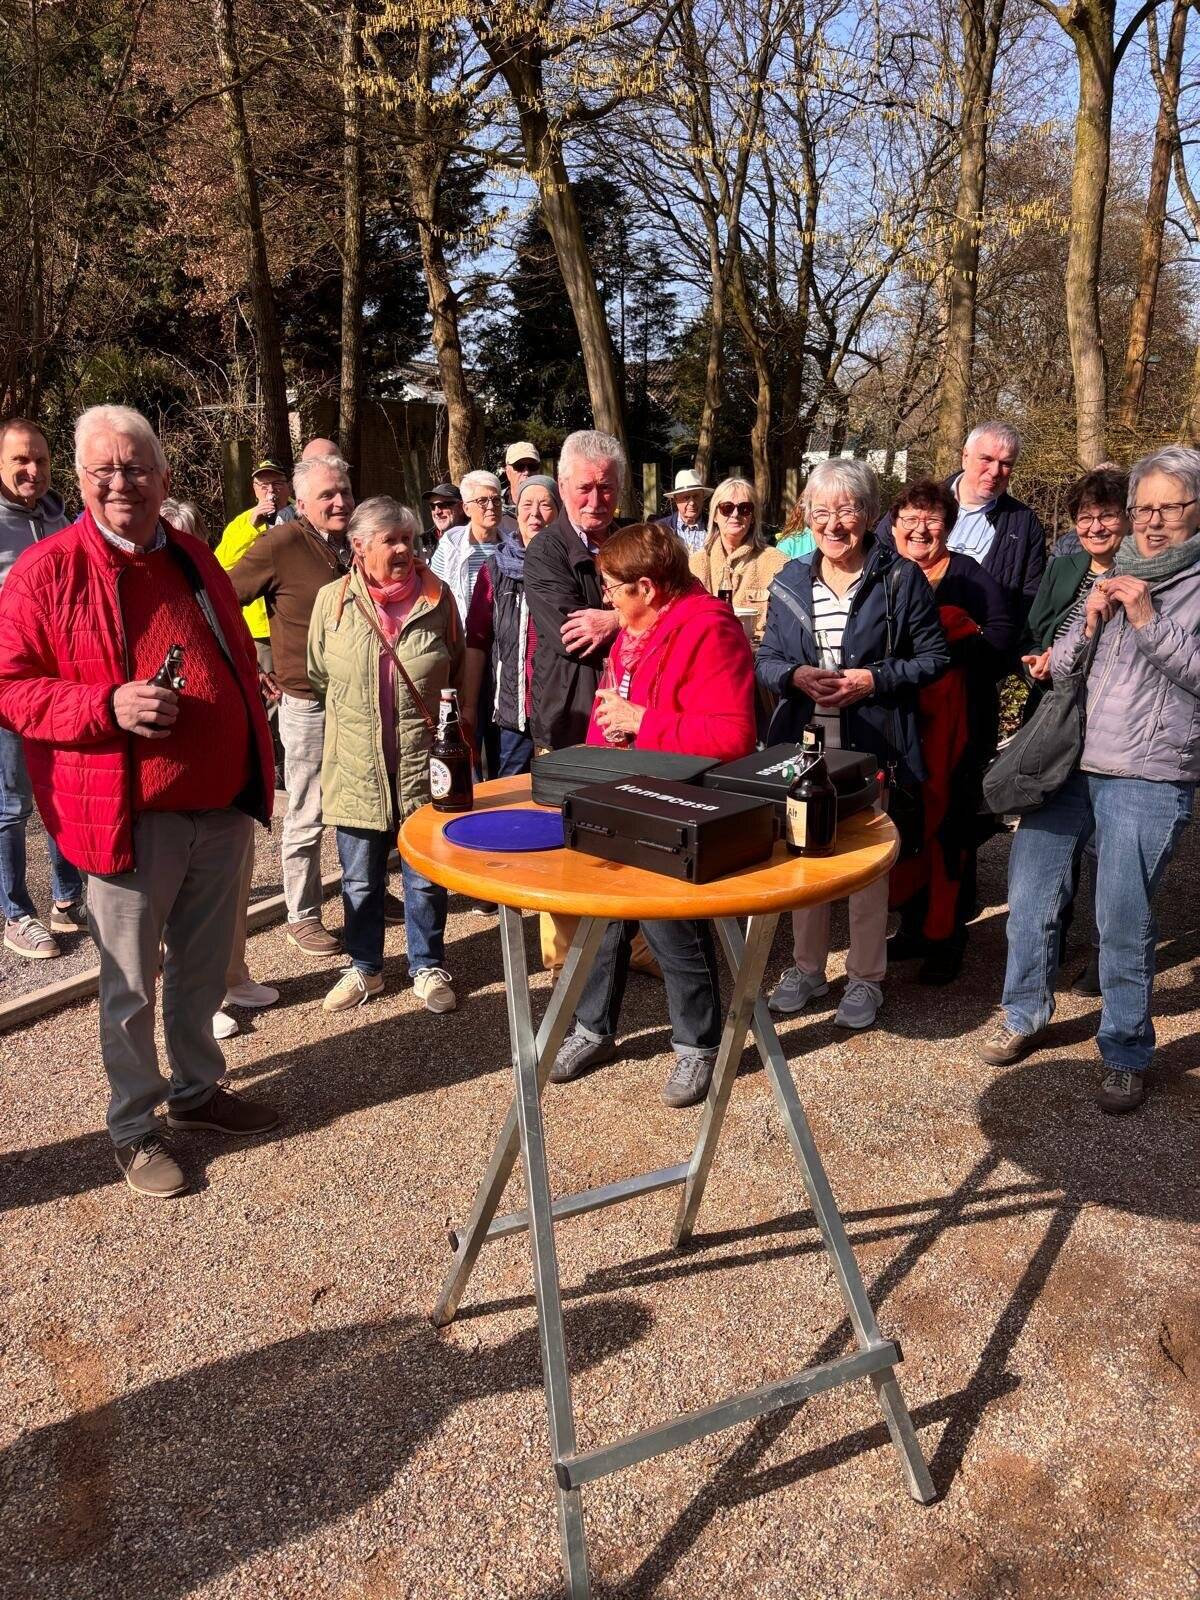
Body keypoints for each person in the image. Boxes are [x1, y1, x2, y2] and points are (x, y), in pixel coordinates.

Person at [0, 404, 278, 1198]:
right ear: (81, 482)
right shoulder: (46, 571)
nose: (124, 483)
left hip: (218, 806)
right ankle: (132, 1125)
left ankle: (195, 1093)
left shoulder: (193, 556)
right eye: (105, 471)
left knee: (199, 971)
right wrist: (104, 706)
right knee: (129, 985)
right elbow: (10, 687)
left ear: (163, 476)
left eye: (138, 468)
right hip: (127, 816)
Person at [978, 445, 1200, 1114]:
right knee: (1031, 891)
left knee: (1122, 917)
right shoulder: (1117, 570)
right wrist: (1089, 622)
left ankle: (1126, 1049)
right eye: (1143, 508)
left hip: (1148, 772)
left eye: (1169, 507)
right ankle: (1022, 1013)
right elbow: (1067, 666)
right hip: (1070, 764)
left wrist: (1145, 621)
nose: (1152, 521)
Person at [548, 523, 757, 1107]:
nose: (606, 599)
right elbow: (610, 707)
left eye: (614, 588)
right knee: (601, 919)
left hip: (676, 801)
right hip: (617, 789)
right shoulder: (636, 630)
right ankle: (594, 1028)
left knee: (671, 925)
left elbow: (736, 736)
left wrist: (645, 722)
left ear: (648, 586)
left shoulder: (710, 630)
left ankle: (699, 1043)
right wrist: (587, 776)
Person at [757, 458, 949, 1030]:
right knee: (806, 859)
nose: (834, 524)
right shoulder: (788, 580)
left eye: (847, 510)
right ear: (806, 517)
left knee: (866, 867)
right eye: (821, 512)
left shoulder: (899, 579)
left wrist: (875, 679)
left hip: (874, 743)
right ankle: (808, 969)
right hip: (807, 745)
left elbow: (935, 658)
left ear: (869, 515)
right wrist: (794, 677)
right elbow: (766, 660)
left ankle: (866, 978)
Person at [307, 497, 464, 1015]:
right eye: (390, 540)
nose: (403, 549)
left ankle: (427, 964)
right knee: (358, 877)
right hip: (356, 765)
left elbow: (456, 669)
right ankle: (365, 968)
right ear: (359, 546)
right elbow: (318, 674)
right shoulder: (332, 602)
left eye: (408, 539)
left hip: (423, 765)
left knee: (423, 876)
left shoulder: (439, 599)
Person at [885, 479, 1014, 983]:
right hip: (900, 727)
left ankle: (948, 937)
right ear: (893, 525)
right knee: (907, 826)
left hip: (958, 726)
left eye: (932, 520)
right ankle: (914, 927)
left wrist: (942, 649)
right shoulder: (886, 573)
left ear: (949, 527)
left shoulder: (968, 576)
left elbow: (1002, 641)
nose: (921, 529)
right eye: (910, 519)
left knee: (950, 831)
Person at [229, 455, 355, 959]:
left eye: (344, 491)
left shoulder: (357, 543)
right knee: (308, 811)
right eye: (327, 495)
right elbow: (222, 597)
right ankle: (302, 914)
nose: (340, 501)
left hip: (360, 700)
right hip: (307, 703)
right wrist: (249, 664)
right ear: (300, 502)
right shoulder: (279, 544)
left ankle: (365, 894)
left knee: (362, 806)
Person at [1017, 468, 1130, 996]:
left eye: (1107, 514)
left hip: (1114, 726)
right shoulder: (1063, 569)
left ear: (1126, 518)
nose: (1096, 526)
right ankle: (1051, 943)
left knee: (1107, 853)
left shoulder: (1141, 574)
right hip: (1056, 719)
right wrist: (1034, 661)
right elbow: (1034, 633)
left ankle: (1106, 957)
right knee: (1048, 848)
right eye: (1085, 517)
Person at [523, 430, 625, 971]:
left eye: (606, 489)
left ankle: (631, 947)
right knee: (567, 835)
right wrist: (636, 619)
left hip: (632, 717)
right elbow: (572, 635)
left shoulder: (638, 541)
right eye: (584, 488)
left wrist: (614, 616)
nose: (595, 500)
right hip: (569, 712)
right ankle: (567, 962)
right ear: (563, 487)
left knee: (629, 832)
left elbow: (678, 610)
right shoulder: (545, 551)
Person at [0, 417, 85, 958]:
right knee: (11, 804)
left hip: (60, 683)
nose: (33, 470)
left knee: (62, 791)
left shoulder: (61, 514)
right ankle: (16, 913)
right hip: (7, 684)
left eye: (42, 460)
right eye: (20, 461)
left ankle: (69, 896)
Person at [877, 420, 1045, 626]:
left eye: (1005, 463)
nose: (994, 471)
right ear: (965, 457)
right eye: (986, 459)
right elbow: (876, 563)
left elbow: (1031, 596)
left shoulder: (1023, 524)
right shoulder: (913, 505)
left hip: (983, 646)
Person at [463, 476, 559, 779]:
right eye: (527, 505)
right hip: (511, 711)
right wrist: (468, 707)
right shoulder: (494, 570)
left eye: (545, 505)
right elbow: (477, 643)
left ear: (559, 511)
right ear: (515, 513)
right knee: (508, 795)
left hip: (562, 709)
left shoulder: (571, 567)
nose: (535, 513)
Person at [431, 469, 503, 778]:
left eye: (497, 499)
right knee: (466, 723)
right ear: (466, 506)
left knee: (499, 723)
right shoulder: (452, 543)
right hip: (464, 646)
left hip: (502, 650)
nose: (491, 507)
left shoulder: (512, 540)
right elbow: (436, 592)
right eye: (483, 500)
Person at [689, 476, 786, 643]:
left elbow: (786, 626)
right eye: (727, 508)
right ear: (714, 516)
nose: (735, 514)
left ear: (753, 516)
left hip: (758, 658)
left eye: (745, 508)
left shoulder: (777, 563)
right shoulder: (695, 564)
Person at [655, 468, 712, 553]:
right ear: (676, 499)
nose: (692, 502)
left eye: (696, 496)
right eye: (686, 497)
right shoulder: (660, 529)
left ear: (703, 497)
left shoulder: (714, 527)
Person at [420, 481, 465, 558]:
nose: (437, 512)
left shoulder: (473, 537)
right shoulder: (425, 540)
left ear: (461, 507)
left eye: (443, 505)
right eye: (432, 506)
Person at [501, 441, 541, 528]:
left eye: (532, 466)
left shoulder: (552, 508)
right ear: (507, 472)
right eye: (519, 466)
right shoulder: (495, 508)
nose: (526, 472)